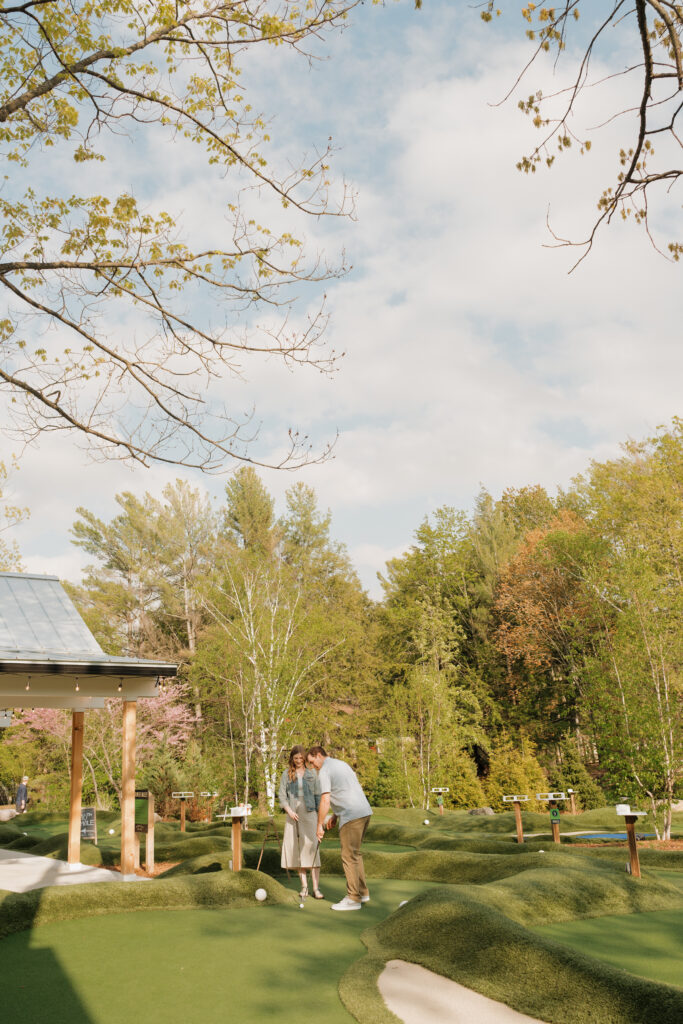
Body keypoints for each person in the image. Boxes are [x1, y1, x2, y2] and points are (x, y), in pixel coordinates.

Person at [307, 745, 372, 912]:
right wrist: (335, 815)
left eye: (312, 761)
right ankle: (363, 893)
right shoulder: (341, 764)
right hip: (364, 812)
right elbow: (345, 790)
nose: (312, 766)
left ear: (318, 755)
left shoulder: (325, 771)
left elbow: (325, 800)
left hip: (352, 815)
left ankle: (353, 898)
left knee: (348, 856)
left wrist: (319, 825)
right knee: (355, 854)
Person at [278, 745, 323, 899]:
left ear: (304, 758)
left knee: (312, 848)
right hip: (292, 813)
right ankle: (304, 886)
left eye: (300, 758)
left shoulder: (312, 773)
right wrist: (289, 811)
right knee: (297, 850)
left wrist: (320, 820)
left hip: (310, 812)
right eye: (295, 758)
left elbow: (318, 796)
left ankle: (316, 889)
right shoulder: (286, 774)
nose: (298, 761)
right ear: (292, 759)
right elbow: (281, 796)